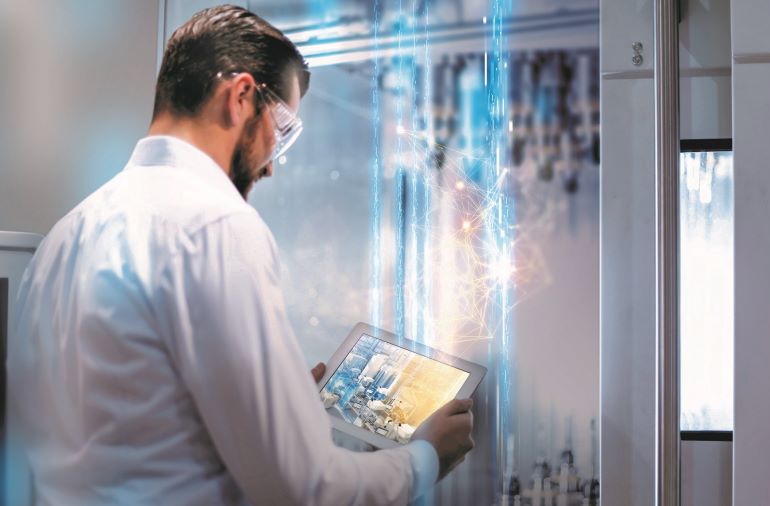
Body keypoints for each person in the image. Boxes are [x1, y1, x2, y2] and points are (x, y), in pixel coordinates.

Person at [7, 5, 474, 505]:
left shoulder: (62, 239)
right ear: (241, 96)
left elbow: (125, 429)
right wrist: (424, 458)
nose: (273, 166)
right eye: (283, 129)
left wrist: (277, 408)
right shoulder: (217, 226)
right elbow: (305, 488)